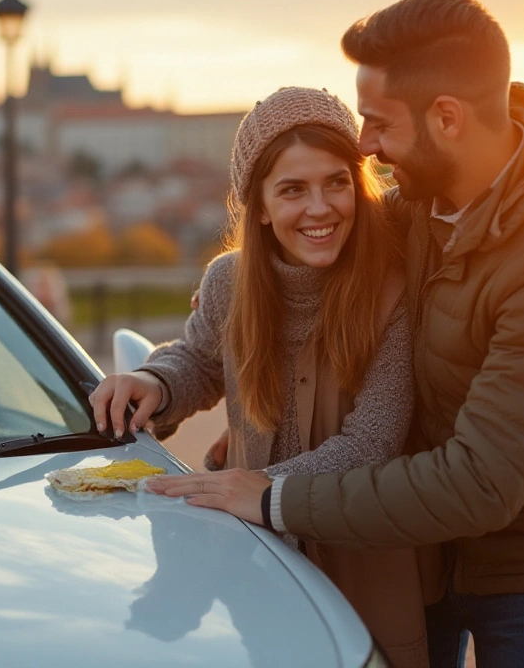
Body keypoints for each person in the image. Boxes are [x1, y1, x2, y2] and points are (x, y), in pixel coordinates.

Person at [147, 0, 524, 668]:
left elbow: (478, 482)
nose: (365, 146)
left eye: (379, 124)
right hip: (437, 547)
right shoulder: (424, 201)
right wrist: (215, 363)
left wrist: (272, 493)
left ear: (446, 118)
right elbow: (300, 266)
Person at [90, 86, 436, 667]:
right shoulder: (230, 281)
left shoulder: (394, 287)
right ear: (260, 206)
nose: (320, 207)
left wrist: (252, 488)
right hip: (260, 576)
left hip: (374, 580)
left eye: (336, 181)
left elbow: (372, 442)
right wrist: (155, 381)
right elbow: (199, 361)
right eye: (293, 189)